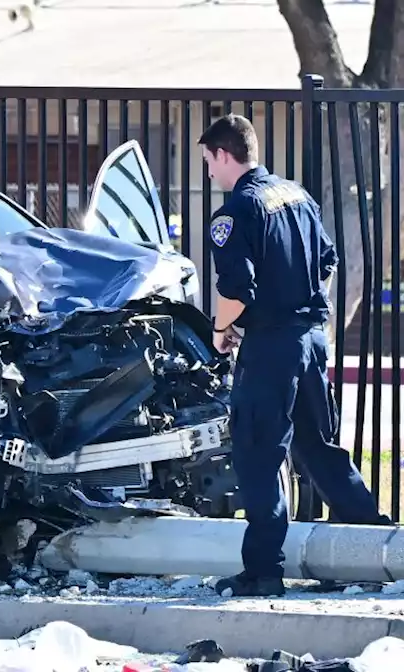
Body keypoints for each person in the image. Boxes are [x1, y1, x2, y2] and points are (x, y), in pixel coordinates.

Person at [200, 114, 393, 598]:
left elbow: (235, 289)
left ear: (225, 155)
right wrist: (300, 303)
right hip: (311, 340)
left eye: (207, 162)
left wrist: (222, 332)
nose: (208, 173)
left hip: (270, 348)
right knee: (317, 447)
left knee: (259, 453)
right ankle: (376, 540)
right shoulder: (297, 196)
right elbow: (327, 259)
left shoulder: (235, 211)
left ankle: (264, 571)